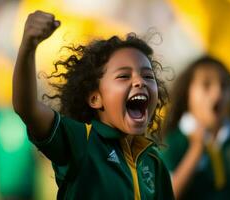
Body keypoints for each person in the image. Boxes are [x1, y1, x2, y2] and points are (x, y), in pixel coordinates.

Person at [12, 10, 174, 199]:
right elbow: (27, 108)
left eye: (148, 76)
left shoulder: (153, 160)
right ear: (95, 99)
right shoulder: (81, 140)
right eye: (123, 76)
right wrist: (28, 48)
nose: (140, 82)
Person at [161, 56, 230, 200]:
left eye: (224, 85)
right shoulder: (174, 141)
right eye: (206, 85)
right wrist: (196, 150)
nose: (218, 93)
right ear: (187, 93)